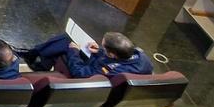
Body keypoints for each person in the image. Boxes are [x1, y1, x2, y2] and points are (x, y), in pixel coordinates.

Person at [21, 31, 153, 78]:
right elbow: (114, 59)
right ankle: (35, 55)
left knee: (67, 45)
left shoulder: (109, 69)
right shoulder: (139, 56)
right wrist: (100, 51)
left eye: (103, 46)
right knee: (68, 39)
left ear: (112, 55)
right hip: (101, 64)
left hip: (89, 77)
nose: (101, 47)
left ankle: (35, 57)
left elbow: (81, 73)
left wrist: (74, 52)